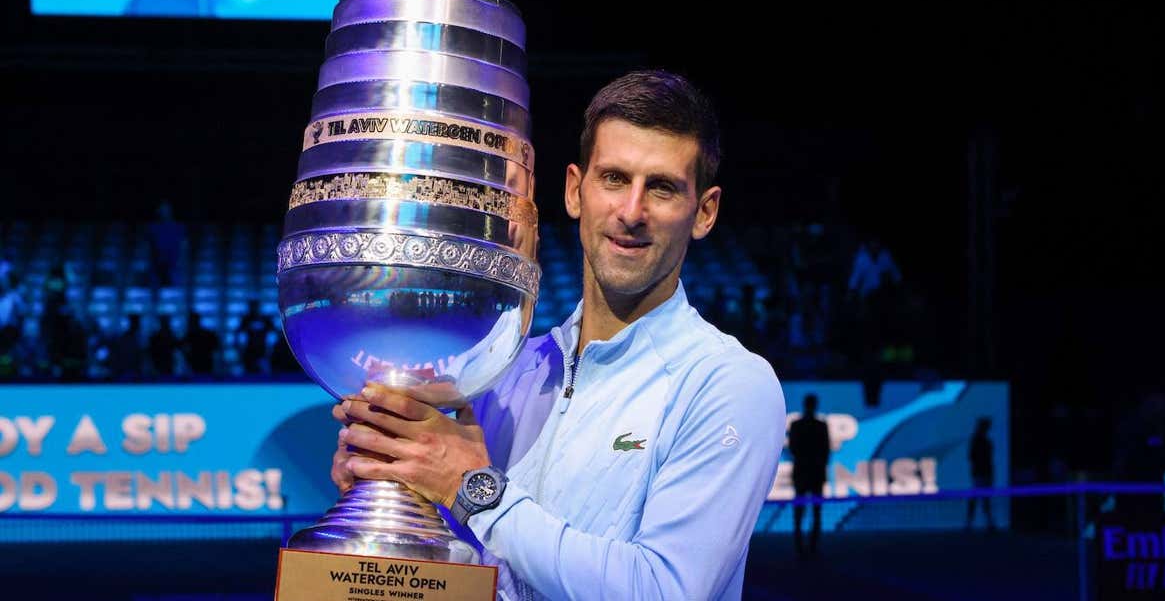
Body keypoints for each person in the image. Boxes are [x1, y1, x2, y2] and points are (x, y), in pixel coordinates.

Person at [332, 70, 786, 600]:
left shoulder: (728, 384)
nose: (631, 212)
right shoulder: (498, 374)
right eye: (614, 179)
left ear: (703, 213)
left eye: (661, 188)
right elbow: (460, 572)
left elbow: (665, 590)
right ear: (576, 190)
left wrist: (473, 490)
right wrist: (389, 491)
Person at [788, 393, 831, 554]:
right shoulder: (813, 425)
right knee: (808, 510)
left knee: (812, 510)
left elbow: (793, 448)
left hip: (808, 473)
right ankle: (805, 546)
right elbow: (825, 451)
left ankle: (808, 546)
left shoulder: (800, 425)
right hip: (811, 473)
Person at [966, 416, 995, 530]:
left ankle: (987, 521)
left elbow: (989, 459)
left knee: (983, 498)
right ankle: (972, 521)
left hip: (984, 473)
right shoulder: (978, 441)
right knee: (978, 497)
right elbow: (972, 457)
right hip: (979, 473)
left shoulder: (986, 442)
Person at [182, 311, 220, 376]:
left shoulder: (207, 334)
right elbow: (183, 347)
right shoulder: (189, 335)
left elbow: (216, 348)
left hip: (205, 363)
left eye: (192, 321)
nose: (191, 323)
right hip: (196, 364)